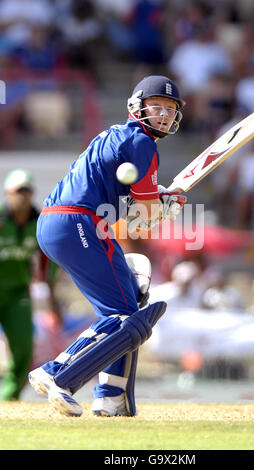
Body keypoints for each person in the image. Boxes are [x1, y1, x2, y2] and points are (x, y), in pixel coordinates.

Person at [28, 75, 187, 417]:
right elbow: (144, 216)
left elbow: (133, 210)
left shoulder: (116, 135)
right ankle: (57, 371)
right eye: (157, 105)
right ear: (136, 106)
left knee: (128, 302)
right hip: (81, 222)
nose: (164, 113)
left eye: (171, 108)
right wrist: (165, 207)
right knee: (122, 315)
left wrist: (159, 201)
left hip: (56, 222)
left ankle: (112, 398)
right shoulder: (143, 143)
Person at [0, 169, 61, 401]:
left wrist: (53, 302)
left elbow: (47, 264)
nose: (23, 196)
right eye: (18, 191)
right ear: (8, 193)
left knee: (24, 349)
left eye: (27, 191)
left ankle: (9, 398)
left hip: (17, 292)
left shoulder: (39, 222)